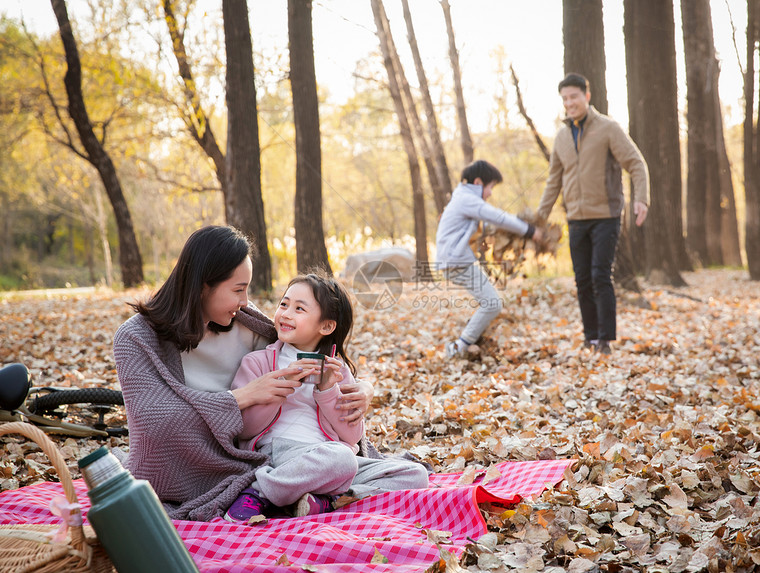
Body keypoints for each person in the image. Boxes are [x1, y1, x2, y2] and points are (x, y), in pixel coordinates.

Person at [112, 225, 374, 521]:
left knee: (384, 470)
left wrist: (363, 388)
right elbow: (156, 424)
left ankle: (311, 496)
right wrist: (242, 397)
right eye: (238, 289)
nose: (246, 301)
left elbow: (308, 348)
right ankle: (274, 494)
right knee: (334, 463)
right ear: (202, 285)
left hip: (290, 457)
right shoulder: (136, 338)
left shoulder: (247, 323)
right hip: (215, 464)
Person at [227, 272, 429, 522]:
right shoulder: (258, 362)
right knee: (342, 458)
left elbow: (352, 436)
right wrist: (279, 390)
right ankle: (258, 492)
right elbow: (244, 430)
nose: (286, 314)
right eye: (284, 304)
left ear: (326, 326)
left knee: (416, 474)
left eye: (299, 309)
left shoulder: (338, 370)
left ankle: (327, 501)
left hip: (331, 460)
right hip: (282, 455)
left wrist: (326, 391)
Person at [536, 73, 650, 356]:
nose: (569, 103)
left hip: (606, 215)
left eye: (574, 97)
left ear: (587, 96)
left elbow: (636, 163)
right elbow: (553, 181)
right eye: (564, 99)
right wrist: (539, 218)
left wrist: (641, 199)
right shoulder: (562, 137)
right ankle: (590, 337)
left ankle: (605, 339)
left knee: (600, 275)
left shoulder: (608, 128)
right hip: (575, 218)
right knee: (582, 279)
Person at [436, 159, 543, 358]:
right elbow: (496, 216)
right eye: (491, 186)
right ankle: (460, 346)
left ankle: (467, 341)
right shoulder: (467, 199)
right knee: (492, 303)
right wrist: (528, 230)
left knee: (490, 302)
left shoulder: (462, 197)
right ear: (478, 183)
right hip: (456, 261)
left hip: (455, 259)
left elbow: (486, 225)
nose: (491, 192)